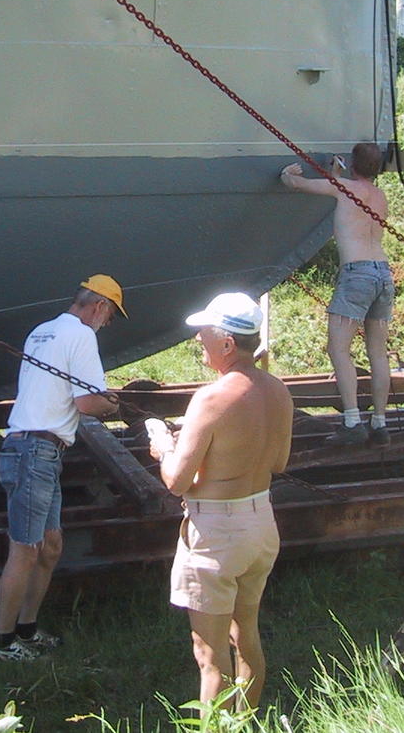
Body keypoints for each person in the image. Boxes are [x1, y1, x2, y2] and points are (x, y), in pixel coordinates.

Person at [147, 292, 293, 711]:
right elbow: (279, 462)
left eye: (205, 333)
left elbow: (177, 481)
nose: (199, 340)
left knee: (210, 656)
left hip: (217, 533)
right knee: (246, 634)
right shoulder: (278, 390)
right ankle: (245, 721)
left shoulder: (211, 398)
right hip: (261, 523)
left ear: (228, 344)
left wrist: (162, 445)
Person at [0, 275, 126, 661]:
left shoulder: (42, 332)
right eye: (111, 316)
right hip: (38, 451)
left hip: (31, 448)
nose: (107, 324)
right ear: (100, 307)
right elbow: (87, 403)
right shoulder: (82, 336)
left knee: (49, 546)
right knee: (27, 548)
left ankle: (27, 629)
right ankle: (2, 641)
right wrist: (112, 403)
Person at [280, 141, 395, 446]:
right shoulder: (380, 196)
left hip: (357, 274)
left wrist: (287, 174)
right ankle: (380, 424)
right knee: (377, 352)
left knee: (339, 349)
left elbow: (297, 183)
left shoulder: (342, 187)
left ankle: (353, 421)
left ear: (352, 165)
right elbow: (346, 197)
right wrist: (336, 174)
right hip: (383, 273)